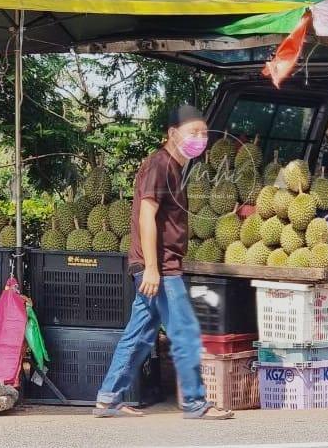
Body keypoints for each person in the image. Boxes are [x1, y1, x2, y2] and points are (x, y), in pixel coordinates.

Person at [93, 105, 234, 420]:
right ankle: (195, 403)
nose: (200, 138)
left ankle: (108, 399)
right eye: (192, 132)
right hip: (161, 267)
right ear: (172, 134)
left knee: (140, 333)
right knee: (183, 330)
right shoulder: (160, 164)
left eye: (203, 133)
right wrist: (153, 268)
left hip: (160, 265)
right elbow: (146, 216)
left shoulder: (173, 166)